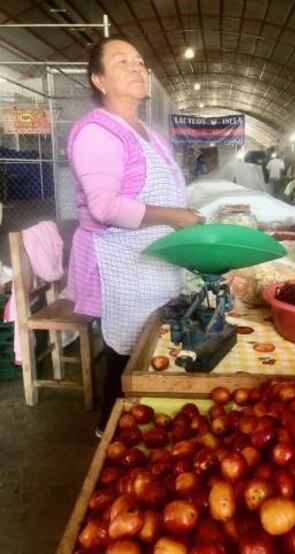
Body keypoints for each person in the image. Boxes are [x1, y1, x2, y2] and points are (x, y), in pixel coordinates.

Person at [66, 37, 204, 433]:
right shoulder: (97, 132)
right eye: (121, 61)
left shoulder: (149, 132)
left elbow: (162, 188)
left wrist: (187, 219)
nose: (136, 67)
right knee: (123, 348)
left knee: (146, 345)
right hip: (121, 262)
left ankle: (139, 419)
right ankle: (110, 431)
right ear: (99, 80)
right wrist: (175, 216)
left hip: (151, 259)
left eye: (140, 61)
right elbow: (105, 207)